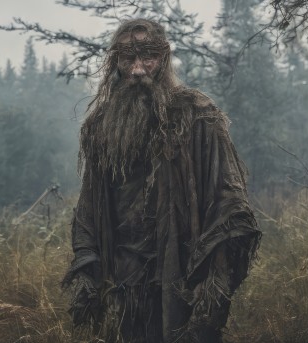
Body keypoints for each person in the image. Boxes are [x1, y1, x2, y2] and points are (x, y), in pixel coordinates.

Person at [62, 18, 262, 343]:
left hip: (182, 277)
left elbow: (230, 203)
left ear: (164, 58)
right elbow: (90, 206)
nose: (138, 69)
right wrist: (89, 268)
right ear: (116, 60)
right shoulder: (101, 127)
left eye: (148, 57)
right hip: (123, 282)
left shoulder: (196, 115)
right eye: (128, 58)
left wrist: (215, 282)